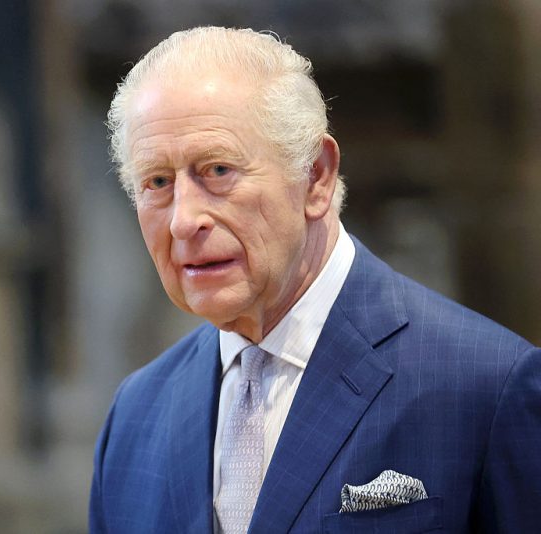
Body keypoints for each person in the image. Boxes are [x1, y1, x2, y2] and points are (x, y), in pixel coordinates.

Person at [89, 26, 541, 533]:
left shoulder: (486, 385)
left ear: (316, 176)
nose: (183, 220)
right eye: (158, 182)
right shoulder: (135, 416)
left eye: (217, 170)